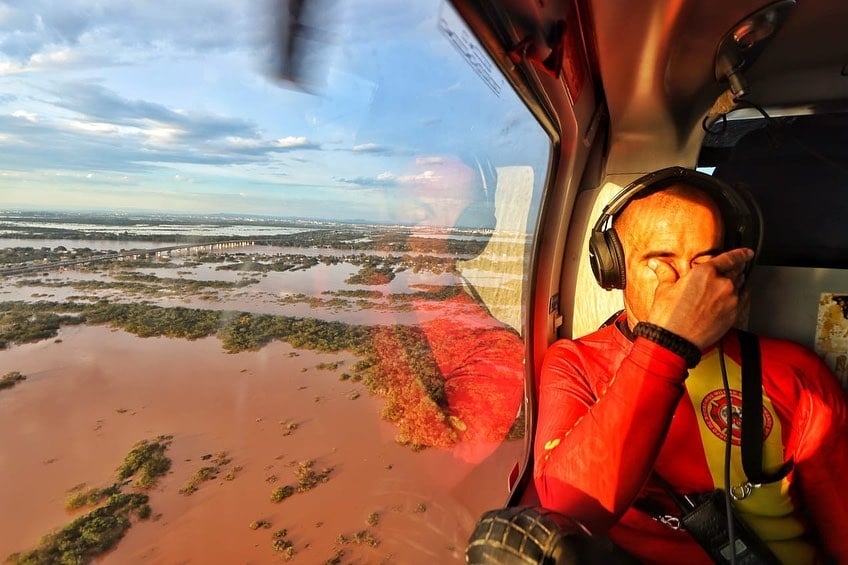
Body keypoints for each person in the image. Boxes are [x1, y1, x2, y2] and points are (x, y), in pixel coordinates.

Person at [533, 167, 848, 564]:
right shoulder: (575, 364)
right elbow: (570, 507)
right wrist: (669, 344)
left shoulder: (795, 373)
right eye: (661, 260)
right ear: (614, 267)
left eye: (706, 262)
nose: (689, 286)